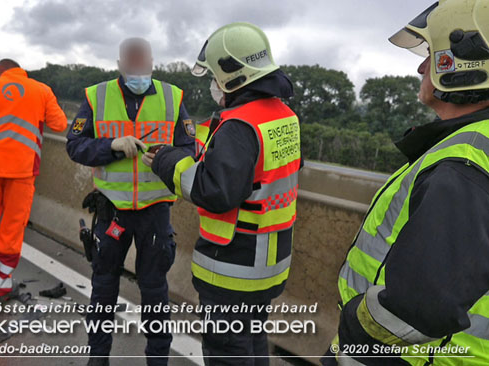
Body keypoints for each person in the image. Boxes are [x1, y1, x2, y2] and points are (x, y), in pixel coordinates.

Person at [324, 1, 489, 365]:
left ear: (463, 63)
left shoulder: (464, 160)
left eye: (431, 54)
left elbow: (424, 304)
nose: (420, 66)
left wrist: (356, 328)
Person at [147, 22, 299, 365]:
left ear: (233, 74)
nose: (214, 85)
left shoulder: (239, 126)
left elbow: (215, 191)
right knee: (254, 341)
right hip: (270, 264)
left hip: (233, 267)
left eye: (215, 76)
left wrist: (168, 162)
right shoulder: (283, 115)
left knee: (228, 352)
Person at [66, 37, 195, 366]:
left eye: (143, 61)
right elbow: (75, 145)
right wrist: (110, 145)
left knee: (154, 291)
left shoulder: (173, 96)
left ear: (152, 62)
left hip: (154, 212)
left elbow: (191, 148)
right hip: (112, 211)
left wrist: (166, 157)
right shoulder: (96, 96)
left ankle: (157, 361)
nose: (138, 67)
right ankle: (98, 359)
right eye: (131, 62)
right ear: (121, 64)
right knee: (104, 287)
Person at [0, 59, 68, 305]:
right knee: (11, 230)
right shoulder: (41, 91)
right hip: (23, 173)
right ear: (21, 72)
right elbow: (60, 124)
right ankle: (0, 289)